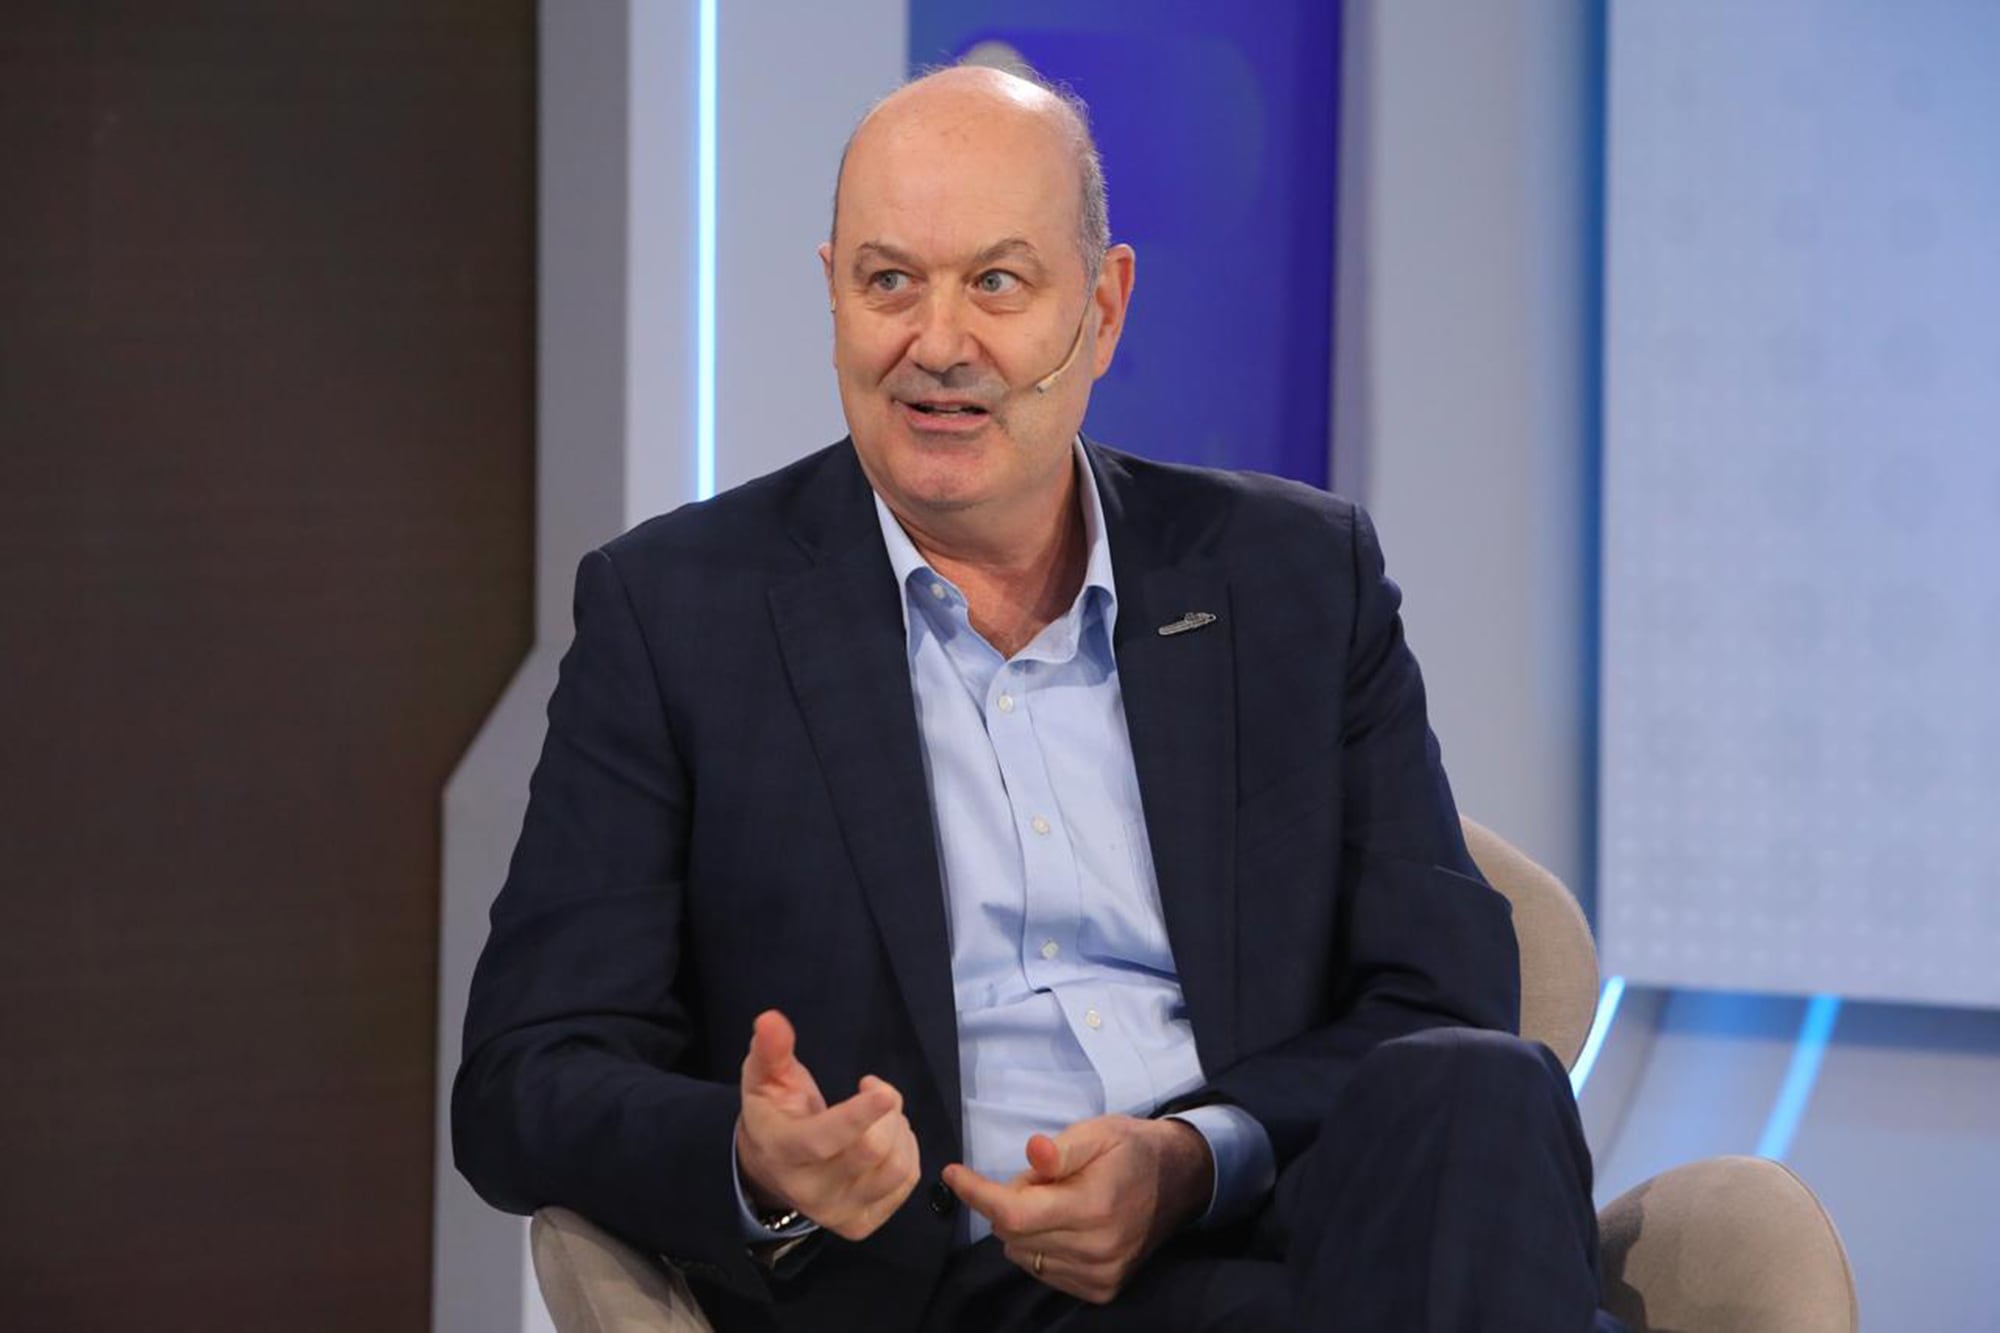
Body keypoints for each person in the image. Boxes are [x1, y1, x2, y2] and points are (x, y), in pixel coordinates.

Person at [454, 65, 1617, 1331]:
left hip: (1294, 1215)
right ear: (833, 293)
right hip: (956, 1284)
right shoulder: (679, 612)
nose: (936, 343)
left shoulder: (1290, 574)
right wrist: (754, 1158)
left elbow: (1440, 994)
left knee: (1481, 1086)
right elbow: (524, 1075)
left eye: (996, 283)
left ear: (1101, 309)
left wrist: (1190, 1159)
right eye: (888, 282)